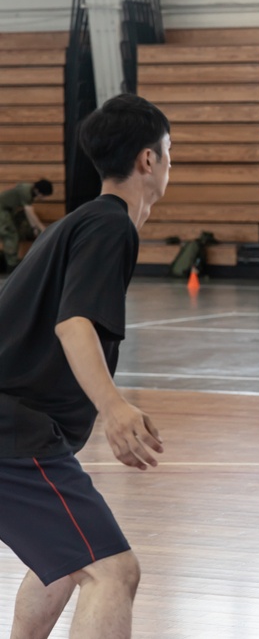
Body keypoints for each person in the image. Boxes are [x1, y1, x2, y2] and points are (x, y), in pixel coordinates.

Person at [0, 93, 169, 637]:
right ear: (149, 159)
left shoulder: (79, 223)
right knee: (114, 572)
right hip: (13, 432)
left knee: (65, 565)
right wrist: (114, 408)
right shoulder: (109, 225)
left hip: (17, 430)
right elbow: (74, 325)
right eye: (169, 151)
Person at [0, 178, 54, 271]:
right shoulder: (26, 192)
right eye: (43, 195)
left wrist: (34, 228)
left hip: (8, 211)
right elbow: (30, 213)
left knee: (16, 231)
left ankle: (9, 260)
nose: (42, 197)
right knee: (11, 234)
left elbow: (28, 214)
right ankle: (11, 264)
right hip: (2, 210)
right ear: (38, 191)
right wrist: (42, 228)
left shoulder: (29, 190)